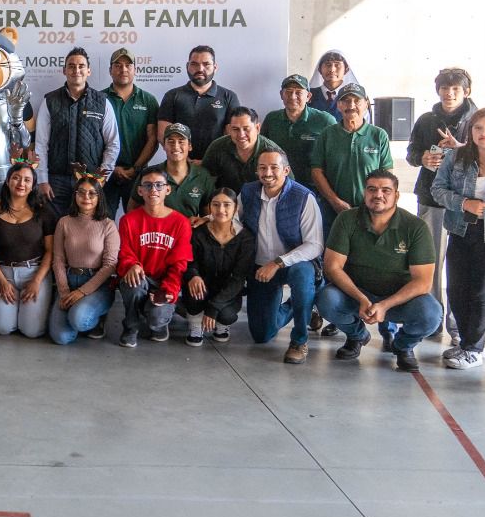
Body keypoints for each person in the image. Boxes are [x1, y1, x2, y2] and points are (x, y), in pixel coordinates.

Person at [318, 170, 442, 373]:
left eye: (386, 190)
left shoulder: (415, 227)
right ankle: (357, 336)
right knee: (326, 300)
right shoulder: (347, 219)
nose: (378, 195)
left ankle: (402, 346)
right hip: (356, 294)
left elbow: (423, 282)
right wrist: (362, 299)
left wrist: (385, 305)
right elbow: (332, 267)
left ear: (397, 195)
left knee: (431, 314)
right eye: (372, 189)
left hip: (398, 299)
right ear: (364, 192)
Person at [430, 108, 485, 370]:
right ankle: (465, 342)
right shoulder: (456, 157)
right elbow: (438, 189)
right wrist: (464, 203)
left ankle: (475, 348)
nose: (484, 133)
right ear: (470, 131)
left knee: (480, 290)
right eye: (478, 128)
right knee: (456, 289)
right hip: (460, 228)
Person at [405, 67, 477, 341]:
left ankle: (457, 324)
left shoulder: (479, 119)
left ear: (466, 91)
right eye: (445, 89)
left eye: (456, 89)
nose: (449, 94)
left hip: (466, 201)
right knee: (430, 260)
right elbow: (411, 152)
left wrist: (460, 148)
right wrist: (422, 157)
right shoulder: (426, 119)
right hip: (431, 198)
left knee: (461, 265)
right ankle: (432, 317)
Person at [239, 150, 325, 363]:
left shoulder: (303, 197)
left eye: (274, 168)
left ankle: (299, 340)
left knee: (303, 276)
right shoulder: (248, 192)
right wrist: (209, 219)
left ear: (286, 171)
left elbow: (315, 245)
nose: (267, 173)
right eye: (262, 167)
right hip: (260, 267)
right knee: (261, 335)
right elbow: (233, 222)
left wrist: (278, 263)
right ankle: (301, 305)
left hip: (294, 265)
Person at [32, 47, 120, 217]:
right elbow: (41, 144)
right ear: (64, 70)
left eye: (81, 66)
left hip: (90, 181)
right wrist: (42, 179)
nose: (76, 70)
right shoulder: (50, 101)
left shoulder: (102, 102)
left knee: (88, 232)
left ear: (88, 71)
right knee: (56, 230)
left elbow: (113, 143)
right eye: (71, 66)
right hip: (56, 181)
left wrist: (102, 177)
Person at [115, 169, 191, 347]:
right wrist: (131, 265)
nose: (153, 190)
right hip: (141, 278)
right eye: (147, 185)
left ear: (168, 190)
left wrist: (167, 290)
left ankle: (159, 323)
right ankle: (131, 326)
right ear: (140, 191)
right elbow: (124, 252)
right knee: (132, 282)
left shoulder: (181, 223)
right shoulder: (128, 220)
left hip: (164, 280)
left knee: (156, 318)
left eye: (159, 185)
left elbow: (179, 263)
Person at [0, 161, 56, 338]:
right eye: (16, 178)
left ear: (33, 185)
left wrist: (37, 281)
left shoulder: (43, 211)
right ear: (8, 181)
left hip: (35, 272)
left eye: (27, 180)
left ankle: (44, 298)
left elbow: (50, 251)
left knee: (32, 331)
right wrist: (1, 281)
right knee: (3, 328)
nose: (21, 184)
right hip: (4, 273)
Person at [309, 82, 393, 230]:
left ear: (366, 104)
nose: (351, 105)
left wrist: (374, 203)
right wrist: (335, 202)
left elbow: (387, 175)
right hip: (333, 211)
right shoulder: (327, 135)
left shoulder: (379, 135)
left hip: (370, 211)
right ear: (339, 105)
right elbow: (316, 172)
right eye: (346, 101)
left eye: (357, 100)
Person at [48, 175, 120, 345]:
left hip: (97, 285)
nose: (86, 197)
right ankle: (77, 312)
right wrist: (64, 291)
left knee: (79, 320)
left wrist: (82, 292)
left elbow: (110, 266)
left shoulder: (108, 225)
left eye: (92, 194)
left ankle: (95, 315)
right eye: (81, 192)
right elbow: (58, 260)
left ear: (99, 197)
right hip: (69, 280)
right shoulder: (64, 222)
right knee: (61, 338)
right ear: (75, 195)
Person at [181, 188, 254, 346]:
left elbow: (238, 278)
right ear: (209, 208)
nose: (221, 210)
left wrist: (213, 308)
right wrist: (193, 275)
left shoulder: (245, 238)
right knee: (195, 290)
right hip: (202, 287)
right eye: (216, 205)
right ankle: (195, 324)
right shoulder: (198, 233)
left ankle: (221, 325)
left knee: (226, 315)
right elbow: (189, 261)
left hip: (227, 291)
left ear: (236, 208)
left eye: (227, 205)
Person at [155, 46, 239, 159]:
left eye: (206, 64)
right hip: (180, 166)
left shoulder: (229, 97)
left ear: (215, 67)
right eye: (194, 64)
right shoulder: (172, 95)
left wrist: (209, 161)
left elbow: (232, 136)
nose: (200, 68)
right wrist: (184, 161)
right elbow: (163, 134)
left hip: (217, 166)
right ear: (187, 66)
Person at [104, 49, 158, 217]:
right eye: (118, 65)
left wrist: (135, 169)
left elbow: (153, 139)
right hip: (106, 174)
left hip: (138, 175)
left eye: (128, 65)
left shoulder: (148, 100)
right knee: (102, 223)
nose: (123, 69)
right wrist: (111, 167)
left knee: (138, 224)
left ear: (135, 69)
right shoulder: (98, 98)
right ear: (110, 70)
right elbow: (93, 139)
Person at [261, 74, 336, 181]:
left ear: (308, 97)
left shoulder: (325, 120)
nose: (292, 96)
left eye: (298, 92)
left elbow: (335, 157)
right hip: (279, 184)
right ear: (281, 95)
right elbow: (263, 151)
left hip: (315, 186)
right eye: (288, 92)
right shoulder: (271, 119)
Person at [198, 106, 282, 191]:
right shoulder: (217, 147)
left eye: (246, 129)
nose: (241, 134)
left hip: (261, 202)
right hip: (226, 201)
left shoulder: (273, 152)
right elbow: (203, 181)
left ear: (257, 128)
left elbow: (288, 186)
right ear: (229, 129)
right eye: (235, 129)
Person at [149, 123, 215, 224]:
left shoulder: (203, 176)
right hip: (157, 236)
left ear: (189, 146)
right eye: (170, 141)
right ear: (164, 145)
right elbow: (133, 209)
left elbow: (208, 216)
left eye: (181, 141)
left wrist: (202, 220)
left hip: (190, 235)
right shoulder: (150, 174)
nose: (175, 146)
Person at [309, 49, 363, 124]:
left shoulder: (357, 98)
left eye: (337, 65)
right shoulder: (308, 96)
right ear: (319, 69)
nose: (332, 69)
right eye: (328, 65)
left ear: (346, 69)